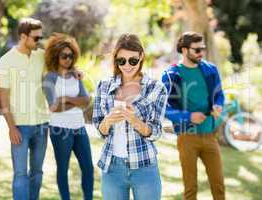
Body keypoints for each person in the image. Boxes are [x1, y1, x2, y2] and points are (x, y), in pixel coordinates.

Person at [92, 34, 167, 200]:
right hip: (112, 168)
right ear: (116, 60)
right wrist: (108, 120)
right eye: (122, 61)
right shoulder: (104, 86)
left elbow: (155, 132)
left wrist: (135, 121)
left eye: (132, 60)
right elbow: (99, 130)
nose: (127, 65)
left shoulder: (156, 88)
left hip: (144, 167)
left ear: (141, 57)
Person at [161, 31, 225, 200]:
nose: (201, 53)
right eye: (196, 50)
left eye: (202, 49)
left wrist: (218, 105)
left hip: (210, 134)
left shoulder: (210, 69)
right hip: (187, 136)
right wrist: (188, 117)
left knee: (219, 186)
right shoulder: (171, 74)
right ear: (183, 50)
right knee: (190, 188)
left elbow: (220, 94)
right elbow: (165, 107)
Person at [0, 18, 49, 200]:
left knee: (37, 172)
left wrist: (75, 72)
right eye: (36, 38)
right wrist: (11, 127)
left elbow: (61, 66)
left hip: (42, 124)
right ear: (23, 36)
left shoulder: (41, 55)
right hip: (20, 127)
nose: (39, 41)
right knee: (20, 173)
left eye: (40, 38)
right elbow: (3, 97)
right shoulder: (5, 61)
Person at [42, 33, 94, 200]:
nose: (68, 59)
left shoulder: (76, 76)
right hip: (60, 129)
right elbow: (54, 107)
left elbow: (86, 100)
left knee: (88, 168)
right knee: (63, 169)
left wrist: (66, 99)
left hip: (79, 127)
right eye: (64, 56)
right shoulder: (49, 78)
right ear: (56, 56)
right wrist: (75, 102)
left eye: (71, 56)